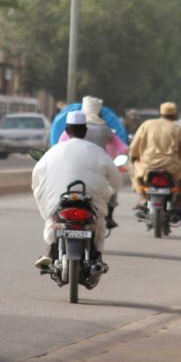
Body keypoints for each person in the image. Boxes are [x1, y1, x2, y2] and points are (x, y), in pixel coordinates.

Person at [31, 110, 122, 269]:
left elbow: (36, 180)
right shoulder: (98, 152)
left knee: (51, 219)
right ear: (85, 131)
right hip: (90, 200)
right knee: (100, 221)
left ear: (66, 131)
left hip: (58, 201)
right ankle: (98, 256)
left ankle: (49, 251)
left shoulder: (53, 152)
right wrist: (110, 191)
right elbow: (116, 181)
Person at [57, 96, 128, 228]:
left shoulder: (69, 130)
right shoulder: (104, 130)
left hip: (71, 174)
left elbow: (59, 146)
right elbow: (122, 148)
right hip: (98, 172)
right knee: (110, 192)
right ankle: (109, 216)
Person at [130, 102, 181, 220]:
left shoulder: (146, 124)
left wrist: (134, 157)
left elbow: (135, 146)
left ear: (160, 113)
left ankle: (142, 198)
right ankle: (180, 200)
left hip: (147, 165)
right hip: (171, 166)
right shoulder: (178, 128)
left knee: (133, 168)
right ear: (175, 115)